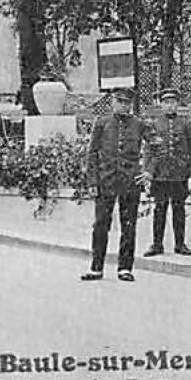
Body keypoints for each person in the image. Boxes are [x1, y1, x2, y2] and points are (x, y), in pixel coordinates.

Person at [81, 87, 158, 282]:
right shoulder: (102, 123)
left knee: (129, 226)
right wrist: (92, 181)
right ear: (112, 102)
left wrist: (148, 171)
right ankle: (96, 268)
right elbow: (92, 153)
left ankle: (125, 268)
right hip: (105, 181)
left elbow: (156, 146)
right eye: (120, 101)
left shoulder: (139, 124)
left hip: (130, 182)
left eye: (127, 103)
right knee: (100, 225)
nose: (123, 106)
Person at [143, 86, 191, 257]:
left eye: (173, 102)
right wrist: (147, 172)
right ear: (161, 104)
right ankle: (156, 244)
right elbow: (149, 150)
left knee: (179, 209)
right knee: (159, 209)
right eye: (166, 102)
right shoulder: (154, 124)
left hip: (179, 175)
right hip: (160, 174)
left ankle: (180, 244)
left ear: (177, 104)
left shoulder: (186, 123)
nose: (170, 106)